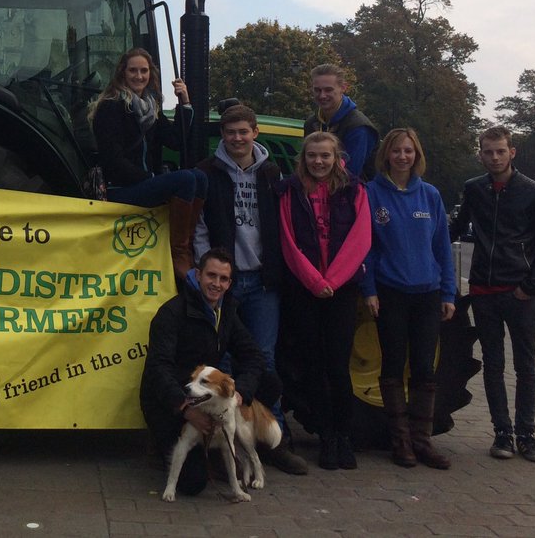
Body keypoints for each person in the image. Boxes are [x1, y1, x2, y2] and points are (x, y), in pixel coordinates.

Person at [193, 103, 307, 475]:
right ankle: (221, 444)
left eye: (244, 131)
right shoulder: (207, 173)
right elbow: (199, 224)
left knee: (266, 358)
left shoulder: (272, 173)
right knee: (222, 359)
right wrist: (204, 268)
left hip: (262, 279)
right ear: (222, 136)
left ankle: (273, 439)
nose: (237, 138)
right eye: (230, 132)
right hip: (226, 279)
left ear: (255, 133)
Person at [452, 125, 535, 464]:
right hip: (484, 290)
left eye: (500, 151)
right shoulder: (474, 189)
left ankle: (526, 434)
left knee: (526, 365)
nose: (494, 157)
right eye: (488, 151)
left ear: (512, 152)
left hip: (519, 292)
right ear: (480, 153)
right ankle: (502, 432)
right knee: (493, 364)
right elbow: (454, 228)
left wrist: (531, 286)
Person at [139, 247, 280, 496]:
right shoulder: (171, 313)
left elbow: (254, 357)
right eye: (211, 276)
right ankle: (164, 447)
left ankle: (235, 447)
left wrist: (240, 394)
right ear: (197, 274)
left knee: (270, 382)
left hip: (207, 397)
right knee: (193, 484)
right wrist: (184, 409)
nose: (216, 284)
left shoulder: (226, 312)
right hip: (167, 401)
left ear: (229, 283)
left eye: (223, 279)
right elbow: (157, 369)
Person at [361, 128, 457, 469]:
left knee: (423, 367)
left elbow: (442, 248)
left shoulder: (430, 195)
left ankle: (422, 441)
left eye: (409, 151)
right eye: (397, 151)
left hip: (427, 293)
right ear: (386, 154)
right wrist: (369, 289)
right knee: (392, 363)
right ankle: (399, 442)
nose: (403, 156)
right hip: (390, 292)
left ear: (416, 155)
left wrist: (448, 291)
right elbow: (366, 249)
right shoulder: (371, 194)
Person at [277, 131, 371, 470]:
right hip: (306, 289)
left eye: (325, 156)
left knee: (338, 365)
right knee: (312, 366)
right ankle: (324, 436)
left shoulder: (355, 190)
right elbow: (288, 240)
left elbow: (361, 238)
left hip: (341, 289)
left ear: (336, 159)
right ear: (304, 158)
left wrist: (332, 280)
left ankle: (342, 436)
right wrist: (315, 281)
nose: (318, 162)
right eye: (313, 156)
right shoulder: (290, 191)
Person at [91, 48, 207, 279]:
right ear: (122, 73)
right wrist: (153, 180)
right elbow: (113, 161)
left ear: (150, 73)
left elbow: (175, 141)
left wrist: (184, 102)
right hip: (121, 187)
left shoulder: (150, 108)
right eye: (133, 70)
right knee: (184, 179)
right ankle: (177, 252)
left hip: (146, 183)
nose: (138, 76)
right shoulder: (111, 107)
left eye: (143, 71)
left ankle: (187, 244)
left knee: (200, 177)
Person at [304, 63, 379, 179]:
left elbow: (350, 174)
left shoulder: (358, 127)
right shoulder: (311, 123)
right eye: (317, 90)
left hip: (354, 193)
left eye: (328, 90)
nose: (322, 95)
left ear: (343, 88)